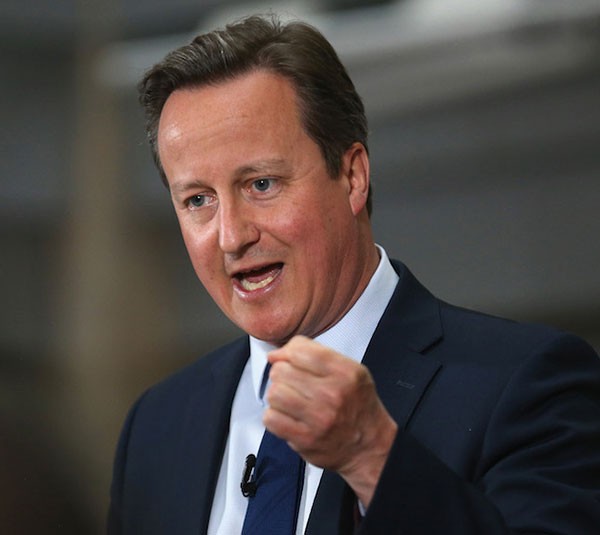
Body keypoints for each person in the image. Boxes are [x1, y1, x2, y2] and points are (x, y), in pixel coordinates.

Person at [108, 14, 600, 535]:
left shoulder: (529, 384)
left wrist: (374, 459)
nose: (231, 236)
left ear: (352, 176)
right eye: (198, 200)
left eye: (261, 184)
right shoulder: (157, 426)